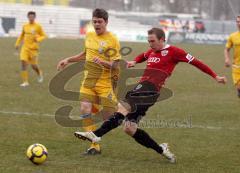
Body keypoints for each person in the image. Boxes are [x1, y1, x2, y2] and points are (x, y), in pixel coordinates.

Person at [74, 28, 226, 163]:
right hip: (147, 91)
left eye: (153, 41)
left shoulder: (175, 52)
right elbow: (144, 55)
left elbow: (198, 63)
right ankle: (162, 150)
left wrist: (215, 76)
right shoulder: (152, 51)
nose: (150, 44)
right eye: (148, 41)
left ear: (162, 39)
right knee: (129, 128)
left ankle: (96, 134)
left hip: (150, 88)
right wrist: (135, 61)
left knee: (123, 106)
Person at [57, 9, 121, 155]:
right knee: (85, 107)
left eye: (100, 21)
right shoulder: (89, 35)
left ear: (106, 22)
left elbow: (116, 65)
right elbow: (86, 54)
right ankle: (94, 145)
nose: (97, 24)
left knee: (110, 115)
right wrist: (68, 60)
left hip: (105, 83)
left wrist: (103, 62)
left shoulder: (113, 39)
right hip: (88, 81)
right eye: (95, 21)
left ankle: (99, 116)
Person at [15, 11, 46, 87]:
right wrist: (17, 43)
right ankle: (25, 82)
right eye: (30, 16)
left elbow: (44, 35)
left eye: (32, 16)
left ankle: (39, 74)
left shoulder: (38, 26)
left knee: (33, 66)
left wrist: (38, 39)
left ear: (34, 17)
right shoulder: (25, 26)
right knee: (23, 63)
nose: (31, 18)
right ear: (28, 17)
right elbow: (21, 35)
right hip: (25, 48)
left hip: (33, 49)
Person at [225, 15, 240, 98]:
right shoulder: (232, 36)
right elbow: (226, 49)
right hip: (236, 67)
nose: (239, 23)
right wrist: (227, 59)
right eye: (237, 21)